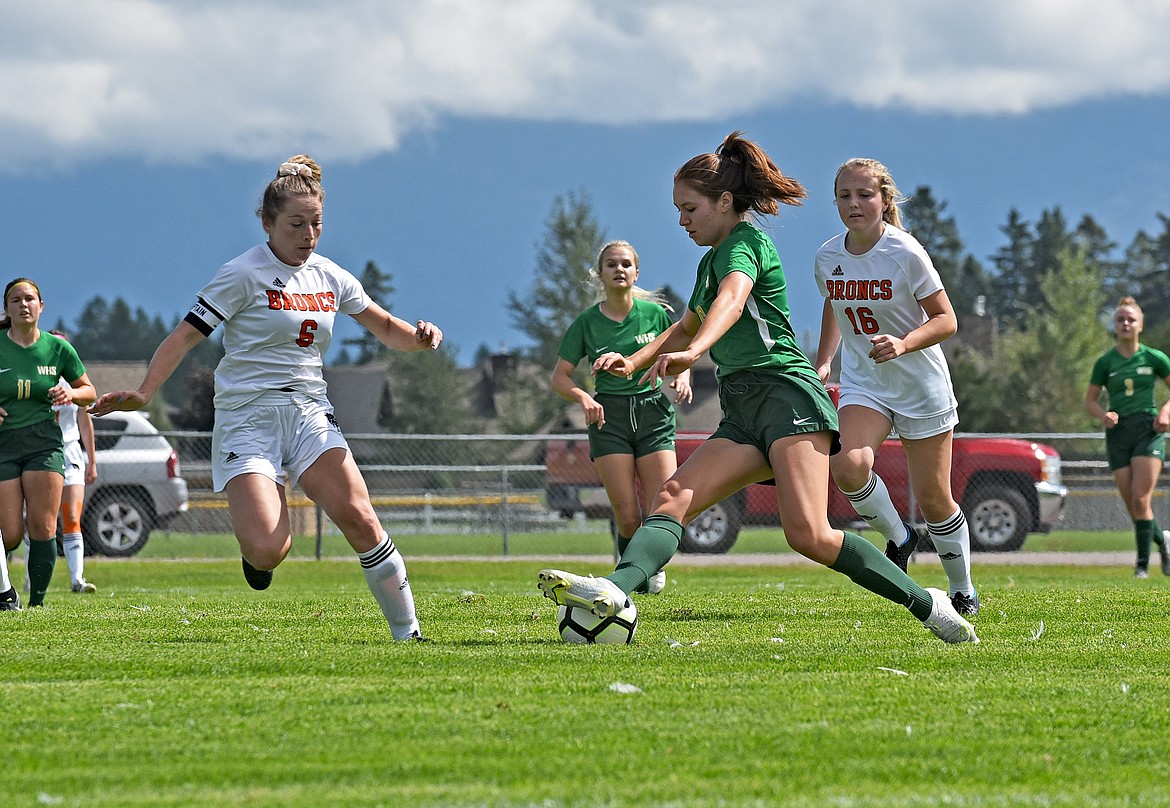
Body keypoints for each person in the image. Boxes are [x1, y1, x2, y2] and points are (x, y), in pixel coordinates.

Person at [537, 132, 978, 644]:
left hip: (787, 395)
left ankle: (931, 605)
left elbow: (731, 299)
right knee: (672, 497)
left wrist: (696, 350)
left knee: (808, 535)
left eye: (689, 208)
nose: (681, 220)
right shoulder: (709, 260)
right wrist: (632, 361)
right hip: (744, 405)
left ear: (725, 203)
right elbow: (686, 324)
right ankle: (615, 591)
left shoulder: (747, 245)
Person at [90, 155, 443, 640]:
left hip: (309, 413)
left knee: (360, 518)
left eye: (317, 223)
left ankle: (409, 634)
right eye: (296, 224)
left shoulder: (331, 275)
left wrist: (420, 337)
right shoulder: (241, 273)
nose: (309, 235)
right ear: (267, 222)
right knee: (268, 550)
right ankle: (256, 551)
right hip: (247, 418)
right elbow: (183, 338)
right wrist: (145, 392)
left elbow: (385, 327)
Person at [813, 157, 979, 616]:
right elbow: (834, 305)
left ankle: (962, 588)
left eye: (864, 194)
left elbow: (947, 320)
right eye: (844, 196)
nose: (854, 203)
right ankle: (899, 538)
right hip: (866, 382)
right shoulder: (828, 256)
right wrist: (825, 359)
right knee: (848, 466)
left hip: (920, 386)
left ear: (885, 200)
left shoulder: (906, 252)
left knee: (933, 498)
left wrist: (904, 343)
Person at [551, 241, 693, 594]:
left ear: (636, 272)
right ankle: (633, 579)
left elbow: (682, 354)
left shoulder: (655, 315)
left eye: (626, 264)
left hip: (652, 414)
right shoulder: (586, 323)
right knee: (627, 515)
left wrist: (682, 377)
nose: (619, 270)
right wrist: (583, 397)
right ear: (599, 275)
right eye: (611, 264)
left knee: (662, 505)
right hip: (609, 419)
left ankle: (648, 570)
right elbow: (559, 377)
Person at [0, 278, 97, 609]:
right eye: (15, 300)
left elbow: (90, 392)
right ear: (6, 309)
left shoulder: (58, 348)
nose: (23, 305)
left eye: (29, 299)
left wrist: (71, 391)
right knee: (10, 533)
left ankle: (36, 604)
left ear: (41, 306)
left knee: (43, 526)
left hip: (44, 443)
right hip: (4, 446)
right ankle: (4, 587)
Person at [1084, 297, 1170, 578]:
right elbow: (1091, 401)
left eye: (1131, 319)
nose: (1125, 323)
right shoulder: (1105, 362)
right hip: (1118, 434)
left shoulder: (1154, 358)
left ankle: (1142, 567)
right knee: (1132, 505)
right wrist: (1103, 416)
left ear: (1140, 325)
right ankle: (1163, 541)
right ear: (1115, 324)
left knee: (1141, 498)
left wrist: (1165, 412)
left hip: (1148, 431)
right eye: (1121, 319)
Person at [51, 330, 99, 593]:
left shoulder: (75, 380)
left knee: (71, 516)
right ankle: (31, 576)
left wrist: (92, 460)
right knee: (38, 520)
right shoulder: (35, 375)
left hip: (70, 453)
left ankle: (76, 579)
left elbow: (84, 418)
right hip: (41, 453)